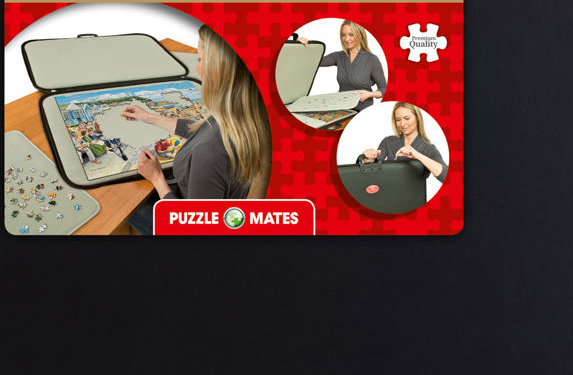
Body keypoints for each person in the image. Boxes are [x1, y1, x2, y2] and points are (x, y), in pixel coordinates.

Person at [122, 26, 272, 229]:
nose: (198, 69)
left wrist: (156, 178)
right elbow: (203, 130)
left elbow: (194, 227)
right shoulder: (249, 113)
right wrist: (151, 118)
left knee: (127, 208)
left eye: (200, 59)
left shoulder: (208, 154)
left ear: (217, 71)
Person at [300, 20, 385, 111]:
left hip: (362, 110)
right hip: (342, 109)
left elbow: (383, 88)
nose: (346, 39)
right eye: (344, 35)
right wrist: (304, 46)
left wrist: (370, 94)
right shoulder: (339, 56)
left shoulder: (372, 59)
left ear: (360, 35)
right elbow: (316, 61)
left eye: (351, 34)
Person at [358, 102, 448, 186]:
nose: (402, 124)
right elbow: (373, 170)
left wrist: (418, 155)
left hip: (414, 196)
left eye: (407, 118)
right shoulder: (388, 141)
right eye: (398, 120)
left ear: (417, 118)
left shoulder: (428, 148)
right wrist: (368, 160)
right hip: (387, 193)